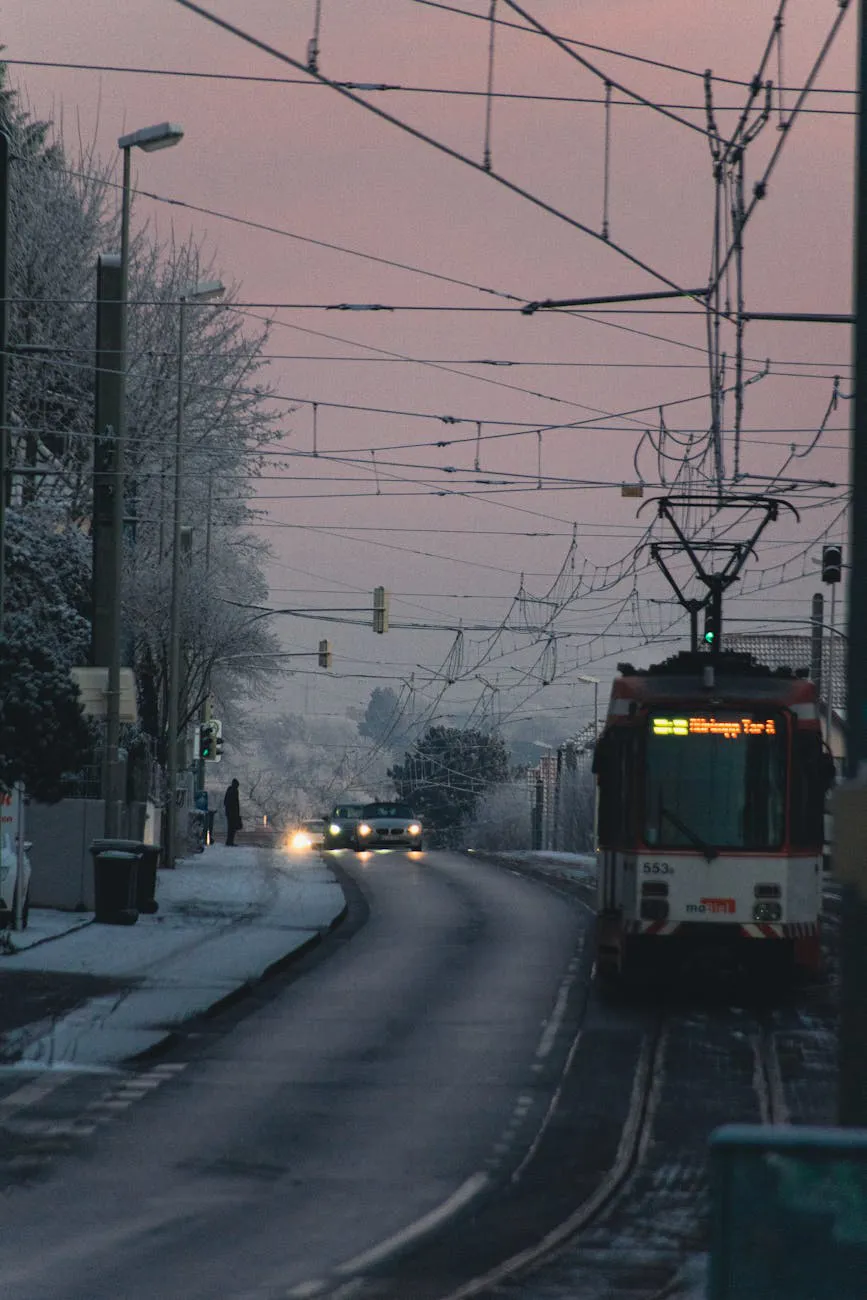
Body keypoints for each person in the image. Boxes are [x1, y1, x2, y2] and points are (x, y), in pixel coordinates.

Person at [223, 778, 242, 846]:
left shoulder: (229, 790)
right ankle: (230, 842)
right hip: (233, 813)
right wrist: (237, 813)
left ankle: (229, 841)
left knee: (230, 828)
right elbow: (236, 804)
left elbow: (225, 801)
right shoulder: (235, 791)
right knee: (232, 828)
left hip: (228, 813)